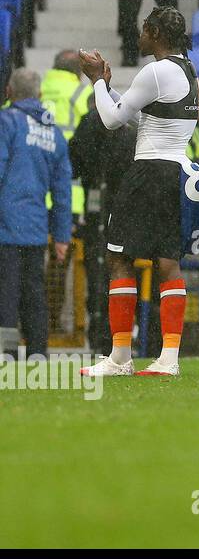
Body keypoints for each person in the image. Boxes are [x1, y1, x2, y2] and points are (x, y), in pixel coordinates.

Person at [78, 7, 199, 377]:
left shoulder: (155, 70)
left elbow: (111, 119)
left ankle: (120, 357)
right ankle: (168, 359)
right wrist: (109, 86)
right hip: (175, 171)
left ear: (154, 32)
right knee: (167, 263)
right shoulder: (186, 70)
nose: (139, 36)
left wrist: (97, 82)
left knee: (119, 258)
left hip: (148, 171)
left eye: (144, 30)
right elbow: (140, 113)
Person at [0, 68, 72, 359]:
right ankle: (38, 355)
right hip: (35, 229)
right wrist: (62, 235)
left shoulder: (6, 122)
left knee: (6, 295)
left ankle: (6, 355)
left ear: (9, 92)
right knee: (34, 295)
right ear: (40, 96)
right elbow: (62, 190)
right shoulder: (53, 133)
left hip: (5, 226)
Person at [69, 89, 136, 356]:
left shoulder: (126, 135)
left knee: (112, 277)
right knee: (103, 278)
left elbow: (75, 162)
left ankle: (111, 340)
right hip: (105, 216)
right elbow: (75, 163)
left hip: (114, 218)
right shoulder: (98, 131)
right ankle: (105, 340)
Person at [41, 50, 92, 335]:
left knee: (29, 258)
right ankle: (53, 322)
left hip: (34, 194)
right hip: (68, 196)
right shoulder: (82, 96)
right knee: (60, 261)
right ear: (78, 73)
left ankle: (29, 318)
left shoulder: (31, 93)